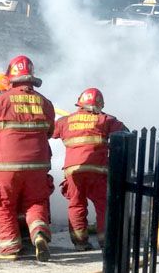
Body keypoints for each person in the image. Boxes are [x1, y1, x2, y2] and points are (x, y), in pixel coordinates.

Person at [0, 55, 56, 262]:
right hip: (38, 166)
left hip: (6, 165)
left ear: (11, 76)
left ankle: (10, 247)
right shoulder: (45, 103)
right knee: (36, 202)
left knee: (4, 205)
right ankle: (39, 235)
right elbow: (49, 131)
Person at [53, 87, 126, 251]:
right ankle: (105, 241)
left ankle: (80, 243)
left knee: (76, 204)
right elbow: (125, 135)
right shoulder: (106, 120)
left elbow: (51, 131)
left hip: (73, 171)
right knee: (103, 205)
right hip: (98, 170)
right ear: (100, 104)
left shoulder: (66, 121)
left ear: (80, 103)